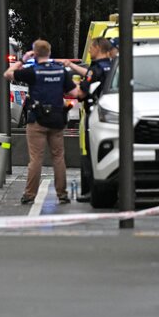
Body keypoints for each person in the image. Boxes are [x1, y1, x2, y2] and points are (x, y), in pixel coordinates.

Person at [4, 39, 77, 206]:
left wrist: (22, 60)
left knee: (36, 158)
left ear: (35, 53)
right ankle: (62, 194)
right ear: (49, 52)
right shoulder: (61, 71)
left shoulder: (32, 71)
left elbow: (7, 74)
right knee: (58, 157)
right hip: (57, 119)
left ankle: (30, 195)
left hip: (37, 120)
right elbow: (74, 91)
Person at [60, 37, 114, 201]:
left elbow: (80, 93)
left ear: (98, 48)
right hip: (111, 115)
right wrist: (72, 65)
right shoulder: (112, 66)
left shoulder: (96, 69)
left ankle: (91, 191)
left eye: (91, 47)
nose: (89, 50)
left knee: (91, 154)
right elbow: (90, 74)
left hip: (95, 116)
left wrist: (62, 84)